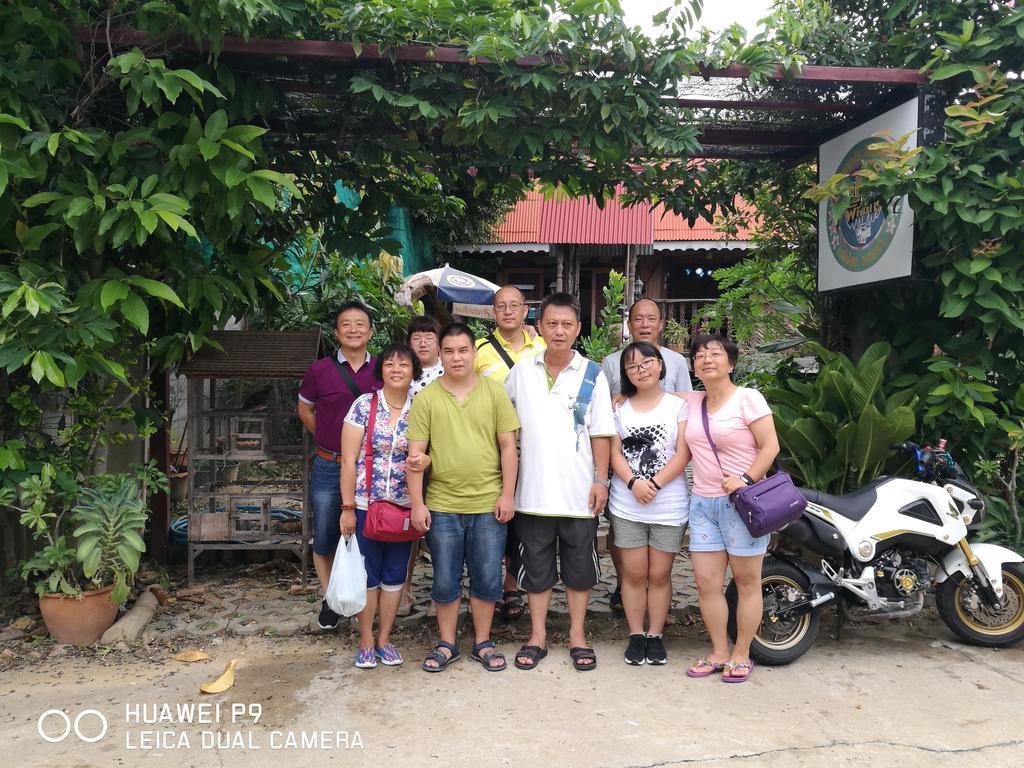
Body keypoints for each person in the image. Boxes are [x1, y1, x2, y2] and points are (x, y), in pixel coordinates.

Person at [504, 292, 615, 672]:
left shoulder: (593, 373)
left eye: (567, 324)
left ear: (578, 329)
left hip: (578, 494)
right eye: (551, 323)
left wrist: (601, 481)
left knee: (579, 570)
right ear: (539, 326)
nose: (559, 331)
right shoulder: (521, 370)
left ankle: (577, 635)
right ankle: (537, 636)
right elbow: (505, 426)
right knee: (535, 571)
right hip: (532, 494)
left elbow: (602, 433)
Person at [407, 323, 520, 673]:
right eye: (450, 351)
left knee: (487, 577)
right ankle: (447, 643)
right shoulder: (426, 398)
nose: (457, 357)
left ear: (474, 353)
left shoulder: (493, 393)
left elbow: (508, 447)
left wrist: (507, 495)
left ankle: (483, 642)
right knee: (445, 578)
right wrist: (418, 503)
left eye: (463, 350)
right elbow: (415, 456)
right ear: (441, 355)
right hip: (442, 504)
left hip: (488, 504)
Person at [683, 332, 780, 683]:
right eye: (699, 356)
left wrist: (746, 478)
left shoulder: (748, 399)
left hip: (743, 503)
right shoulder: (692, 402)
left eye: (715, 353)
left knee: (746, 581)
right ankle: (718, 651)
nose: (706, 359)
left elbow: (770, 446)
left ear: (731, 362)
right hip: (703, 504)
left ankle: (741, 652)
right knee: (707, 583)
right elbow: (651, 394)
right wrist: (620, 396)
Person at [601, 298, 693, 612]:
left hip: (665, 470)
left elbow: (687, 401)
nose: (644, 324)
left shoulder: (677, 362)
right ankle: (623, 583)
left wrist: (655, 482)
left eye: (650, 318)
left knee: (659, 568)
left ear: (660, 324)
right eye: (637, 318)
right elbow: (607, 404)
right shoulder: (612, 361)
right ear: (629, 324)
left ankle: (656, 605)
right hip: (626, 464)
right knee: (622, 529)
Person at [339, 344, 425, 668]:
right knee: (368, 575)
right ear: (381, 370)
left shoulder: (421, 408)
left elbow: (430, 455)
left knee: (394, 576)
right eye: (390, 364)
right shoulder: (363, 406)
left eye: (404, 364)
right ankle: (365, 641)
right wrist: (347, 508)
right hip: (365, 504)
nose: (397, 369)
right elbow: (348, 461)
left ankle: (385, 639)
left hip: (403, 506)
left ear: (413, 371)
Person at [297, 300, 381, 631]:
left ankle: (367, 597)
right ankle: (330, 598)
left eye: (360, 324)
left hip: (372, 469)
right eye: (346, 324)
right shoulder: (319, 370)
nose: (353, 329)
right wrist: (333, 442)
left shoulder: (383, 369)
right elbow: (305, 410)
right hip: (330, 465)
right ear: (336, 332)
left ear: (370, 332)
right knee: (326, 534)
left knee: (372, 532)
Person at [607, 342, 691, 666]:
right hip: (627, 504)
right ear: (625, 373)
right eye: (632, 366)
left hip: (668, 504)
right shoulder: (619, 408)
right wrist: (633, 483)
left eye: (647, 363)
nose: (640, 369)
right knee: (632, 573)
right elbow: (614, 452)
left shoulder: (678, 406)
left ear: (660, 365)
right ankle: (635, 634)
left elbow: (683, 453)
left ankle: (655, 634)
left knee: (659, 574)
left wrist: (653, 483)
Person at [474, 285, 546, 620]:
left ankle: (512, 583)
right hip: (491, 446)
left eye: (514, 305)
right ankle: (493, 583)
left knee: (525, 517)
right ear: (492, 312)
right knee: (497, 511)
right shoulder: (478, 350)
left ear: (525, 310)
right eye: (500, 306)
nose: (507, 311)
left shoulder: (543, 346)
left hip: (535, 445)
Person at [397, 315, 444, 617]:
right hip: (407, 459)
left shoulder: (450, 372)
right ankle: (404, 587)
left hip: (443, 459)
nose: (423, 342)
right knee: (408, 524)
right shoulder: (401, 373)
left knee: (441, 527)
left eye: (429, 336)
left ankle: (443, 589)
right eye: (417, 337)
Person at [408, 315, 445, 397]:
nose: (423, 344)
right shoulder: (401, 371)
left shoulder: (450, 372)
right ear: (409, 343)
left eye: (429, 338)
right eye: (416, 338)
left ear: (439, 343)